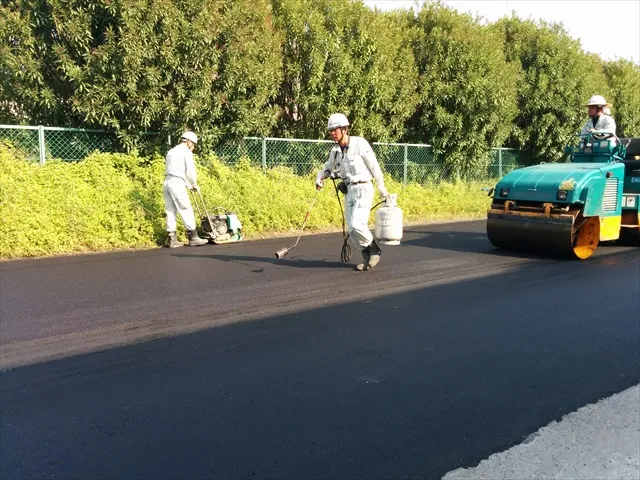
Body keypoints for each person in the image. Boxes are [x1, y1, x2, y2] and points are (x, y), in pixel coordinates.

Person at [315, 113, 390, 271]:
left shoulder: (359, 144)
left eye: (335, 129)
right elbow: (328, 167)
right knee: (351, 228)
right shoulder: (336, 151)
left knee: (357, 224)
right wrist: (320, 177)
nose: (333, 133)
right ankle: (366, 255)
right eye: (331, 130)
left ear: (344, 129)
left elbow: (374, 166)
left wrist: (382, 188)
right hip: (349, 191)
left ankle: (374, 249)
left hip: (363, 188)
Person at [163, 131, 208, 248]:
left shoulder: (171, 151)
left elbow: (176, 170)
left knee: (170, 210)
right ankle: (193, 237)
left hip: (167, 181)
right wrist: (193, 184)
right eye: (193, 145)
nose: (193, 148)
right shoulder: (186, 152)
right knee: (186, 208)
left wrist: (187, 184)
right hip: (177, 183)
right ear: (189, 142)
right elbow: (190, 171)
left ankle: (172, 239)